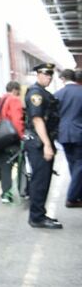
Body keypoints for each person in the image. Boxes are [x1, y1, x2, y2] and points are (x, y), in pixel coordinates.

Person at [24, 63, 62, 229]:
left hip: (42, 141)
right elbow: (37, 119)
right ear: (38, 74)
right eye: (45, 74)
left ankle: (40, 213)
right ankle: (37, 218)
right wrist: (47, 145)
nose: (48, 77)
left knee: (43, 179)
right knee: (40, 180)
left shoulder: (43, 93)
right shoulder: (36, 94)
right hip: (38, 143)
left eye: (50, 75)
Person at [0, 81, 24, 203]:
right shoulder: (14, 100)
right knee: (22, 164)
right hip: (12, 138)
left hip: (1, 138)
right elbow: (17, 121)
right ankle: (24, 191)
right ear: (15, 90)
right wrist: (21, 136)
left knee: (5, 166)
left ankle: (6, 194)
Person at [56, 69, 82, 208]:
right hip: (79, 134)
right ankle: (72, 197)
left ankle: (78, 195)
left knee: (73, 164)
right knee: (80, 165)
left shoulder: (57, 94)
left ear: (63, 79)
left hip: (63, 134)